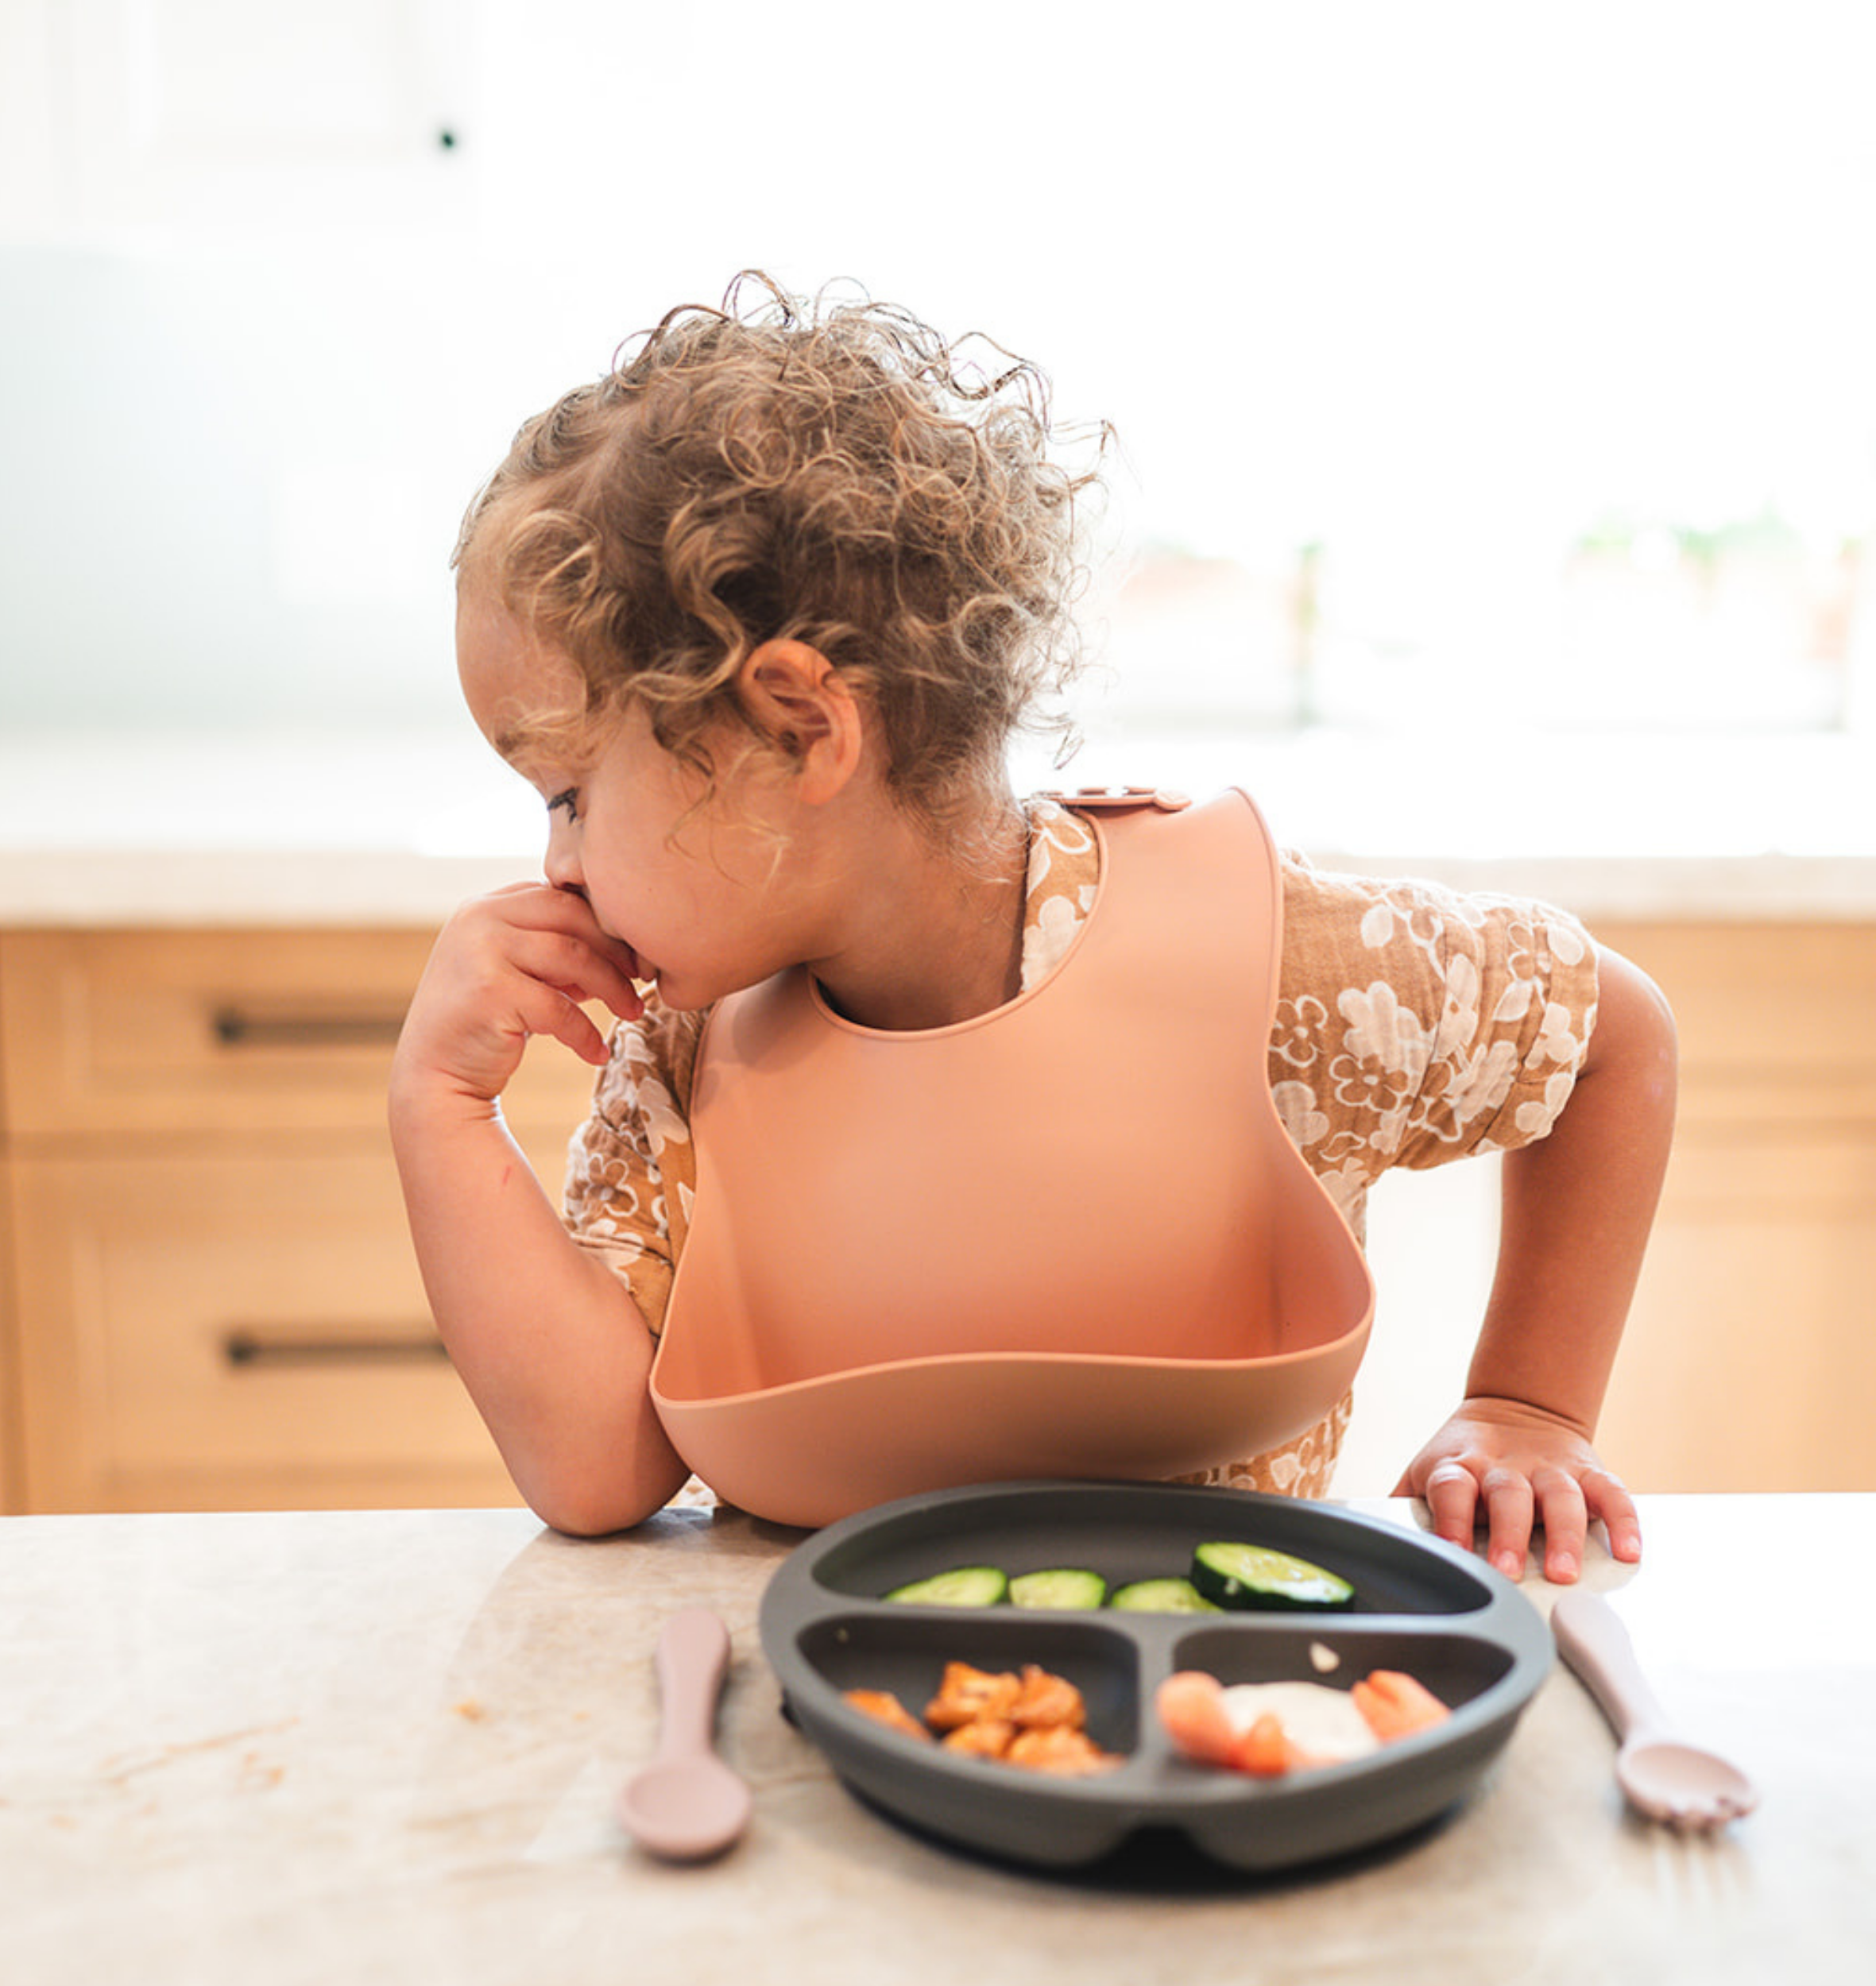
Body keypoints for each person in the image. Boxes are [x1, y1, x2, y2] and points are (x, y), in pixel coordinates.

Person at [389, 274, 1677, 1584]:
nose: (554, 868)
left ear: (797, 726)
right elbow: (597, 1473)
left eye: (567, 796)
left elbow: (1609, 1039)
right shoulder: (677, 1061)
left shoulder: (1270, 969)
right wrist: (441, 1101)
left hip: (1214, 1725)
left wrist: (1532, 1407)